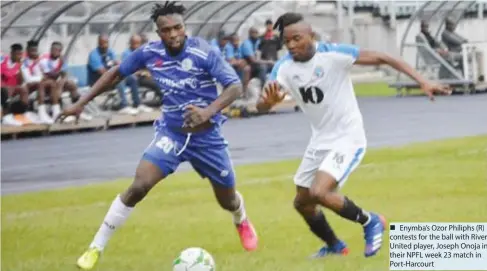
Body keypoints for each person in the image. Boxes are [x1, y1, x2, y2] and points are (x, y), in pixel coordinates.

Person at [58, 2, 258, 270]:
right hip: (171, 135)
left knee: (228, 199)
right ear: (158, 32)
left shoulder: (203, 51)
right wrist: (80, 103)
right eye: (167, 30)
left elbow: (234, 86)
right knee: (138, 186)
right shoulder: (149, 53)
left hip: (207, 139)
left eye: (178, 27)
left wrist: (207, 112)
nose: (173, 34)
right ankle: (95, 248)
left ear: (184, 27)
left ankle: (241, 219)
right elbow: (115, 74)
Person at [256, 12, 451, 259]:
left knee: (320, 192)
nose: (292, 45)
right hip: (320, 139)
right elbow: (260, 105)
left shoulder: (334, 55)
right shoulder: (283, 68)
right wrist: (268, 103)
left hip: (347, 137)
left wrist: (422, 81)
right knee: (302, 202)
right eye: (287, 42)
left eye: (297, 38)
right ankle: (336, 247)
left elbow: (383, 57)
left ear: (311, 35)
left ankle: (370, 222)